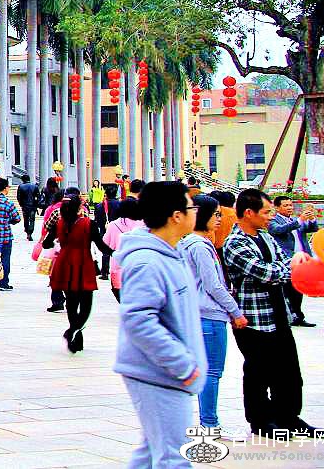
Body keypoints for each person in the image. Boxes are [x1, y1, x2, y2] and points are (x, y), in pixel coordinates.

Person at [114, 181, 206, 469]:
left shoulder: (171, 252)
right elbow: (138, 320)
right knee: (174, 457)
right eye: (191, 206)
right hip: (157, 373)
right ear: (176, 216)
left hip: (166, 372)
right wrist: (182, 364)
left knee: (151, 453)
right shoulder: (148, 262)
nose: (196, 212)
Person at [222, 189, 321, 438]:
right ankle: (261, 420)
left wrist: (286, 266)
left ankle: (288, 417)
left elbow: (282, 262)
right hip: (254, 319)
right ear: (249, 212)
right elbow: (266, 272)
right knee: (258, 372)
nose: (271, 217)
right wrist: (289, 267)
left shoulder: (265, 236)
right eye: (266, 212)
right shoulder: (235, 243)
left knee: (289, 372)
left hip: (279, 313)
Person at [178, 194, 248, 430]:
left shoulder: (188, 243)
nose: (219, 219)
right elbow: (213, 285)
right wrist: (235, 311)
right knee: (212, 372)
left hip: (197, 314)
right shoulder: (199, 246)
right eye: (216, 214)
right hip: (209, 315)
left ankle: (207, 421)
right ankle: (209, 422)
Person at [44, 189, 113, 353]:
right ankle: (73, 331)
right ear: (78, 207)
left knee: (71, 302)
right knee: (86, 303)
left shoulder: (59, 223)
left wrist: (58, 243)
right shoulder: (89, 224)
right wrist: (116, 253)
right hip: (83, 262)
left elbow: (46, 243)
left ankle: (76, 338)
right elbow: (101, 246)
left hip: (64, 262)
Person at [268, 195, 319, 327]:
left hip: (301, 259)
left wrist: (311, 219)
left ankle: (298, 316)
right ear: (277, 207)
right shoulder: (273, 220)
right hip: (287, 260)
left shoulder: (295, 220)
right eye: (285, 205)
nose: (289, 208)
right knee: (287, 290)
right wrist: (300, 220)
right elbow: (279, 230)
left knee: (298, 289)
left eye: (291, 205)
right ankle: (288, 316)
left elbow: (312, 229)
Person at [94, 183, 122, 279]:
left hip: (104, 229)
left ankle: (105, 272)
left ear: (105, 194)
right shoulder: (120, 205)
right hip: (118, 230)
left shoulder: (99, 206)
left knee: (105, 250)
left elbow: (97, 220)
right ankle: (118, 271)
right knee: (118, 249)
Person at [16, 174, 40, 242]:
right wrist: (36, 204)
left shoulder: (21, 186)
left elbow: (19, 197)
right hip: (33, 206)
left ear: (23, 180)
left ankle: (27, 231)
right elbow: (38, 196)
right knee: (32, 219)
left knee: (26, 219)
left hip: (25, 206)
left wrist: (21, 204)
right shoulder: (35, 186)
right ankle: (30, 232)